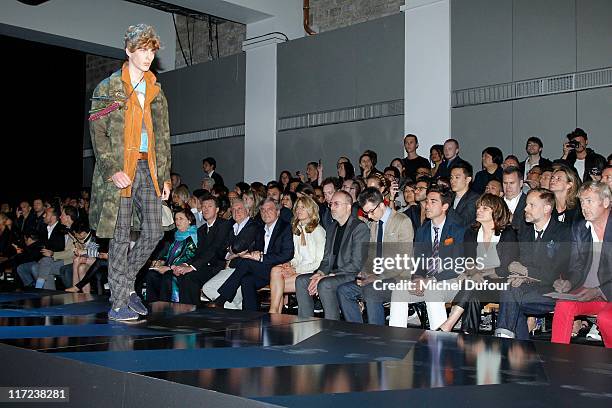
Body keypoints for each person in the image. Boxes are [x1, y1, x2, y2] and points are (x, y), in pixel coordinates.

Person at [88, 24, 171, 321]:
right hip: (121, 170)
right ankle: (119, 303)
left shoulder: (156, 92)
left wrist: (164, 176)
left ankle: (124, 286)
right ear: (128, 51)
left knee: (154, 231)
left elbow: (162, 136)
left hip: (147, 167)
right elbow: (98, 135)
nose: (148, 56)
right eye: (142, 50)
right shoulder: (108, 88)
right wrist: (112, 170)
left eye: (151, 50)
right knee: (120, 236)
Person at [494, 188, 571, 340]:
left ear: (547, 208)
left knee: (511, 297)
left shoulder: (563, 232)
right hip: (529, 289)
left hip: (553, 290)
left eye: (531, 205)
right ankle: (514, 344)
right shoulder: (525, 232)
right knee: (510, 289)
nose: (525, 208)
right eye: (526, 204)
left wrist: (526, 273)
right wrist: (521, 274)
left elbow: (556, 271)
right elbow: (521, 264)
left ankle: (504, 341)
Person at [389, 185, 466, 330]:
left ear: (445, 206)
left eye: (433, 201)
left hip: (452, 279)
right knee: (399, 290)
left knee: (433, 290)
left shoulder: (458, 230)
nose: (427, 205)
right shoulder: (422, 231)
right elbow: (418, 262)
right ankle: (397, 340)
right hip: (427, 280)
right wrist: (418, 278)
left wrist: (429, 280)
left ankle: (440, 340)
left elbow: (457, 266)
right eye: (427, 201)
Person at [438, 194, 518, 333]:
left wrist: (482, 273)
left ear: (496, 211)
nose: (479, 210)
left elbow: (507, 268)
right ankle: (467, 333)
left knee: (471, 284)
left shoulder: (507, 234)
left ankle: (448, 324)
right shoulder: (471, 232)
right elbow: (468, 260)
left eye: (485, 208)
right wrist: (474, 272)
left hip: (500, 284)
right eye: (478, 207)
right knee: (473, 296)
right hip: (476, 284)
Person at [337, 187, 413, 325]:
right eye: (366, 213)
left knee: (372, 290)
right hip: (377, 277)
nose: (370, 216)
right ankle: (358, 333)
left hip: (398, 278)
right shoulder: (374, 225)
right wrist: (365, 273)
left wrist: (376, 277)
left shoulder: (402, 222)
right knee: (344, 290)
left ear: (382, 204)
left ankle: (376, 335)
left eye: (371, 211)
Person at [550, 181, 611, 347]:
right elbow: (576, 266)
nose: (584, 206)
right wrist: (569, 282)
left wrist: (599, 290)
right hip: (589, 292)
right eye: (582, 202)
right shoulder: (580, 228)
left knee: (606, 319)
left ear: (605, 202)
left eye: (589, 201)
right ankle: (558, 358)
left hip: (606, 292)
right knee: (563, 305)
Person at [295, 191, 369, 319]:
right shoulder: (331, 228)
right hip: (332, 274)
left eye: (336, 204)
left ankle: (331, 325)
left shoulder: (359, 228)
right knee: (301, 280)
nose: (332, 208)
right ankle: (304, 324)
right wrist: (320, 273)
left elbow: (356, 264)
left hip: (350, 275)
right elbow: (327, 258)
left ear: (348, 207)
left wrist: (329, 275)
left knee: (325, 283)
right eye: (331, 204)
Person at [209, 199, 294, 311]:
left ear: (278, 212)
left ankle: (222, 299)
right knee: (247, 279)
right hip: (263, 269)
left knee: (246, 263)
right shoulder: (261, 229)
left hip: (277, 270)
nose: (265, 213)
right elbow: (257, 251)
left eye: (269, 209)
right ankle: (250, 315)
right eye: (263, 210)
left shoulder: (285, 227)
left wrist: (262, 257)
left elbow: (287, 253)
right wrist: (254, 254)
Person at [170, 196, 232, 304]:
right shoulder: (202, 229)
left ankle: (193, 312)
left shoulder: (223, 225)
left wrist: (192, 267)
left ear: (217, 210)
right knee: (181, 275)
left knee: (190, 277)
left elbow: (214, 249)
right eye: (203, 206)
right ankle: (185, 311)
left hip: (216, 267)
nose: (206, 209)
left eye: (209, 206)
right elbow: (198, 253)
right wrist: (185, 264)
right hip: (203, 266)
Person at [269, 196, 325, 314]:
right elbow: (297, 257)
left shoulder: (318, 231)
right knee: (275, 270)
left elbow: (318, 262)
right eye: (297, 207)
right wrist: (289, 264)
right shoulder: (298, 229)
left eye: (303, 207)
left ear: (311, 210)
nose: (299, 210)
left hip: (312, 272)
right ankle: (274, 313)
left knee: (276, 288)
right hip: (299, 270)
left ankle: (273, 313)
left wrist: (295, 270)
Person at [145, 209, 198, 303]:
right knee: (151, 275)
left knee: (167, 276)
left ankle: (168, 306)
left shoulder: (192, 237)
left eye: (181, 219)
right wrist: (161, 261)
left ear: (189, 220)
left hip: (181, 269)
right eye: (176, 219)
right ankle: (152, 305)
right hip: (168, 267)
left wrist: (169, 268)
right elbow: (169, 255)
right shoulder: (176, 236)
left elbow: (189, 258)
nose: (177, 221)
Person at [449, 162, 479, 227]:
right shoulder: (450, 197)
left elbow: (463, 222)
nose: (452, 181)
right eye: (451, 177)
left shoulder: (474, 198)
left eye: (457, 177)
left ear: (468, 179)